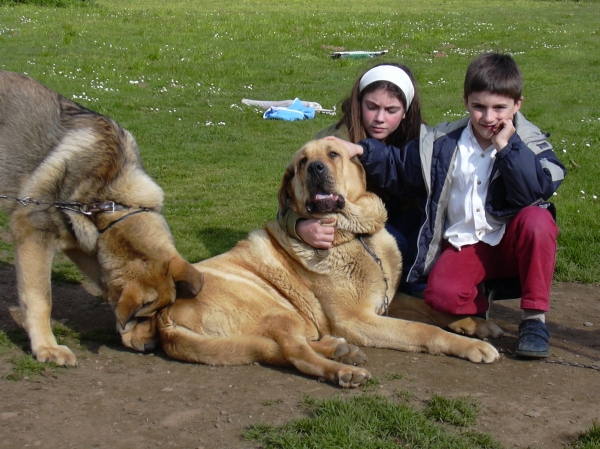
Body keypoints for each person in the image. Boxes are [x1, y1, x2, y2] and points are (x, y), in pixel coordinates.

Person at [325, 53, 566, 358]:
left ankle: (533, 320)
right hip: (468, 244)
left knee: (537, 219)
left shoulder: (529, 142)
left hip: (512, 242)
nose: (489, 117)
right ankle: (479, 299)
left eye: (499, 108)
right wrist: (360, 148)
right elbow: (399, 166)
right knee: (441, 296)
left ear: (517, 104)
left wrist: (508, 148)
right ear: (465, 101)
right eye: (479, 107)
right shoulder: (442, 141)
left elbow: (535, 190)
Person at [280, 63, 427, 293]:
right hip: (358, 226)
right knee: (395, 242)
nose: (380, 118)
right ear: (358, 104)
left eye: (391, 110)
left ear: (405, 112)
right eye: (372, 107)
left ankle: (414, 284)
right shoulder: (333, 144)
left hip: (402, 216)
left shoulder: (420, 140)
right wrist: (300, 226)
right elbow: (289, 201)